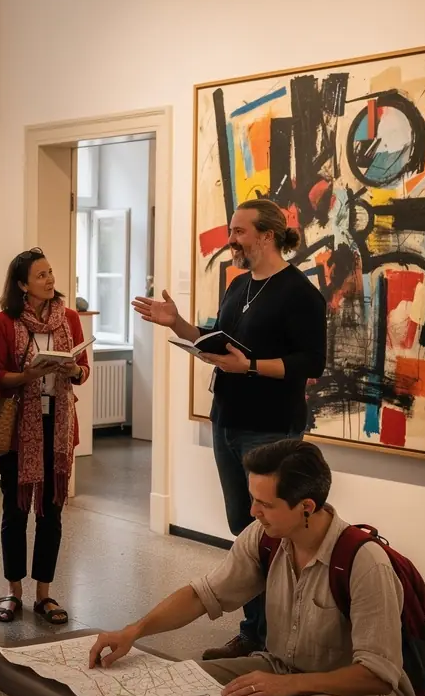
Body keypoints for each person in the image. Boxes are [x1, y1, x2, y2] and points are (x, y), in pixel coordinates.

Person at [89, 439, 416, 696]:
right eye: (252, 499)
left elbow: (376, 674)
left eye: (265, 503)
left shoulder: (364, 563)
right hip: (280, 666)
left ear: (307, 507)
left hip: (358, 693)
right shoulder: (264, 538)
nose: (252, 512)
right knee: (184, 680)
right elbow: (202, 595)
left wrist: (288, 687)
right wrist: (133, 632)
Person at [134, 198, 326, 659]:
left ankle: (274, 637)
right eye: (231, 230)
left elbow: (311, 362)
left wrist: (252, 366)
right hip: (227, 419)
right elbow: (216, 341)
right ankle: (255, 631)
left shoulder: (300, 293)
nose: (231, 239)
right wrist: (177, 323)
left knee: (271, 533)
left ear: (267, 235)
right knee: (245, 532)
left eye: (238, 231)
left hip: (271, 428)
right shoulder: (239, 286)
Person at [0, 248, 89, 625]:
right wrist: (28, 375)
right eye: (41, 275)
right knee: (15, 511)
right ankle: (13, 591)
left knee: (51, 512)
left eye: (50, 273)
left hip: (57, 426)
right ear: (22, 284)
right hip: (16, 429)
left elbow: (84, 371)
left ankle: (44, 593)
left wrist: (74, 370)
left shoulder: (70, 318)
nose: (49, 280)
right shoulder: (5, 322)